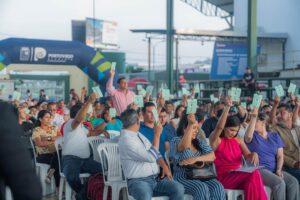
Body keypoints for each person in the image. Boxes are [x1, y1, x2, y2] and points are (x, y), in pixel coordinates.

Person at [118, 109, 185, 200]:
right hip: (138, 182)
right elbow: (151, 157)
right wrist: (157, 134)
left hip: (155, 179)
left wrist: (164, 166)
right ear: (137, 121)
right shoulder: (127, 139)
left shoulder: (136, 134)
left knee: (178, 188)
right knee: (144, 196)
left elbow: (154, 151)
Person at [210, 96, 267, 200]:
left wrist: (254, 154)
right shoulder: (216, 140)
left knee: (252, 182)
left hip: (240, 175)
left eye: (236, 130)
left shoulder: (238, 139)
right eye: (231, 130)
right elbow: (219, 127)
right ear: (225, 128)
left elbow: (248, 155)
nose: (234, 133)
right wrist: (227, 107)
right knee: (253, 175)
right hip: (224, 177)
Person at [245, 109, 299, 200]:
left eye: (256, 121)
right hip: (259, 169)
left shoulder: (274, 136)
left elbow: (280, 156)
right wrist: (254, 117)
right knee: (279, 183)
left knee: (293, 182)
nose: (253, 124)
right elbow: (248, 136)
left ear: (263, 122)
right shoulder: (252, 136)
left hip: (274, 169)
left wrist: (278, 170)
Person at [170, 113, 226, 200]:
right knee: (201, 188)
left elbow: (212, 156)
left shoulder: (199, 142)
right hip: (183, 178)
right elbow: (185, 147)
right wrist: (190, 124)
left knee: (217, 186)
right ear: (185, 129)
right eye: (194, 128)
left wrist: (196, 159)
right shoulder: (176, 141)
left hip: (202, 175)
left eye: (197, 128)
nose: (197, 131)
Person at [62, 93, 105, 199]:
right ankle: (84, 195)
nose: (86, 114)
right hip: (70, 159)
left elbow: (91, 133)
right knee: (72, 177)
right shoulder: (70, 123)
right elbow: (78, 119)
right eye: (84, 112)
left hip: (86, 160)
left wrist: (105, 125)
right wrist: (89, 102)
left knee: (103, 171)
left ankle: (82, 195)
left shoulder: (82, 127)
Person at [0, 102, 42, 200]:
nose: (26, 113)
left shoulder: (28, 124)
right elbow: (27, 187)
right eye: (24, 111)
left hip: (27, 150)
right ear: (18, 113)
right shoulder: (5, 117)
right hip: (20, 153)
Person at [270, 97, 300, 183]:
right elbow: (279, 153)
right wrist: (294, 163)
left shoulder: (298, 129)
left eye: (282, 113)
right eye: (277, 114)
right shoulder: (275, 130)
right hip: (290, 167)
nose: (278, 116)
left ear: (290, 115)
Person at [31, 110, 62, 187]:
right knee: (58, 160)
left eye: (50, 117)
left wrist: (46, 138)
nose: (49, 119)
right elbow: (39, 143)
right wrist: (54, 140)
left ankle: (51, 173)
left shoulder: (54, 127)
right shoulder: (37, 130)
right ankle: (59, 187)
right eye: (46, 117)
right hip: (43, 155)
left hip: (56, 153)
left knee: (58, 156)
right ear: (40, 119)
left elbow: (61, 137)